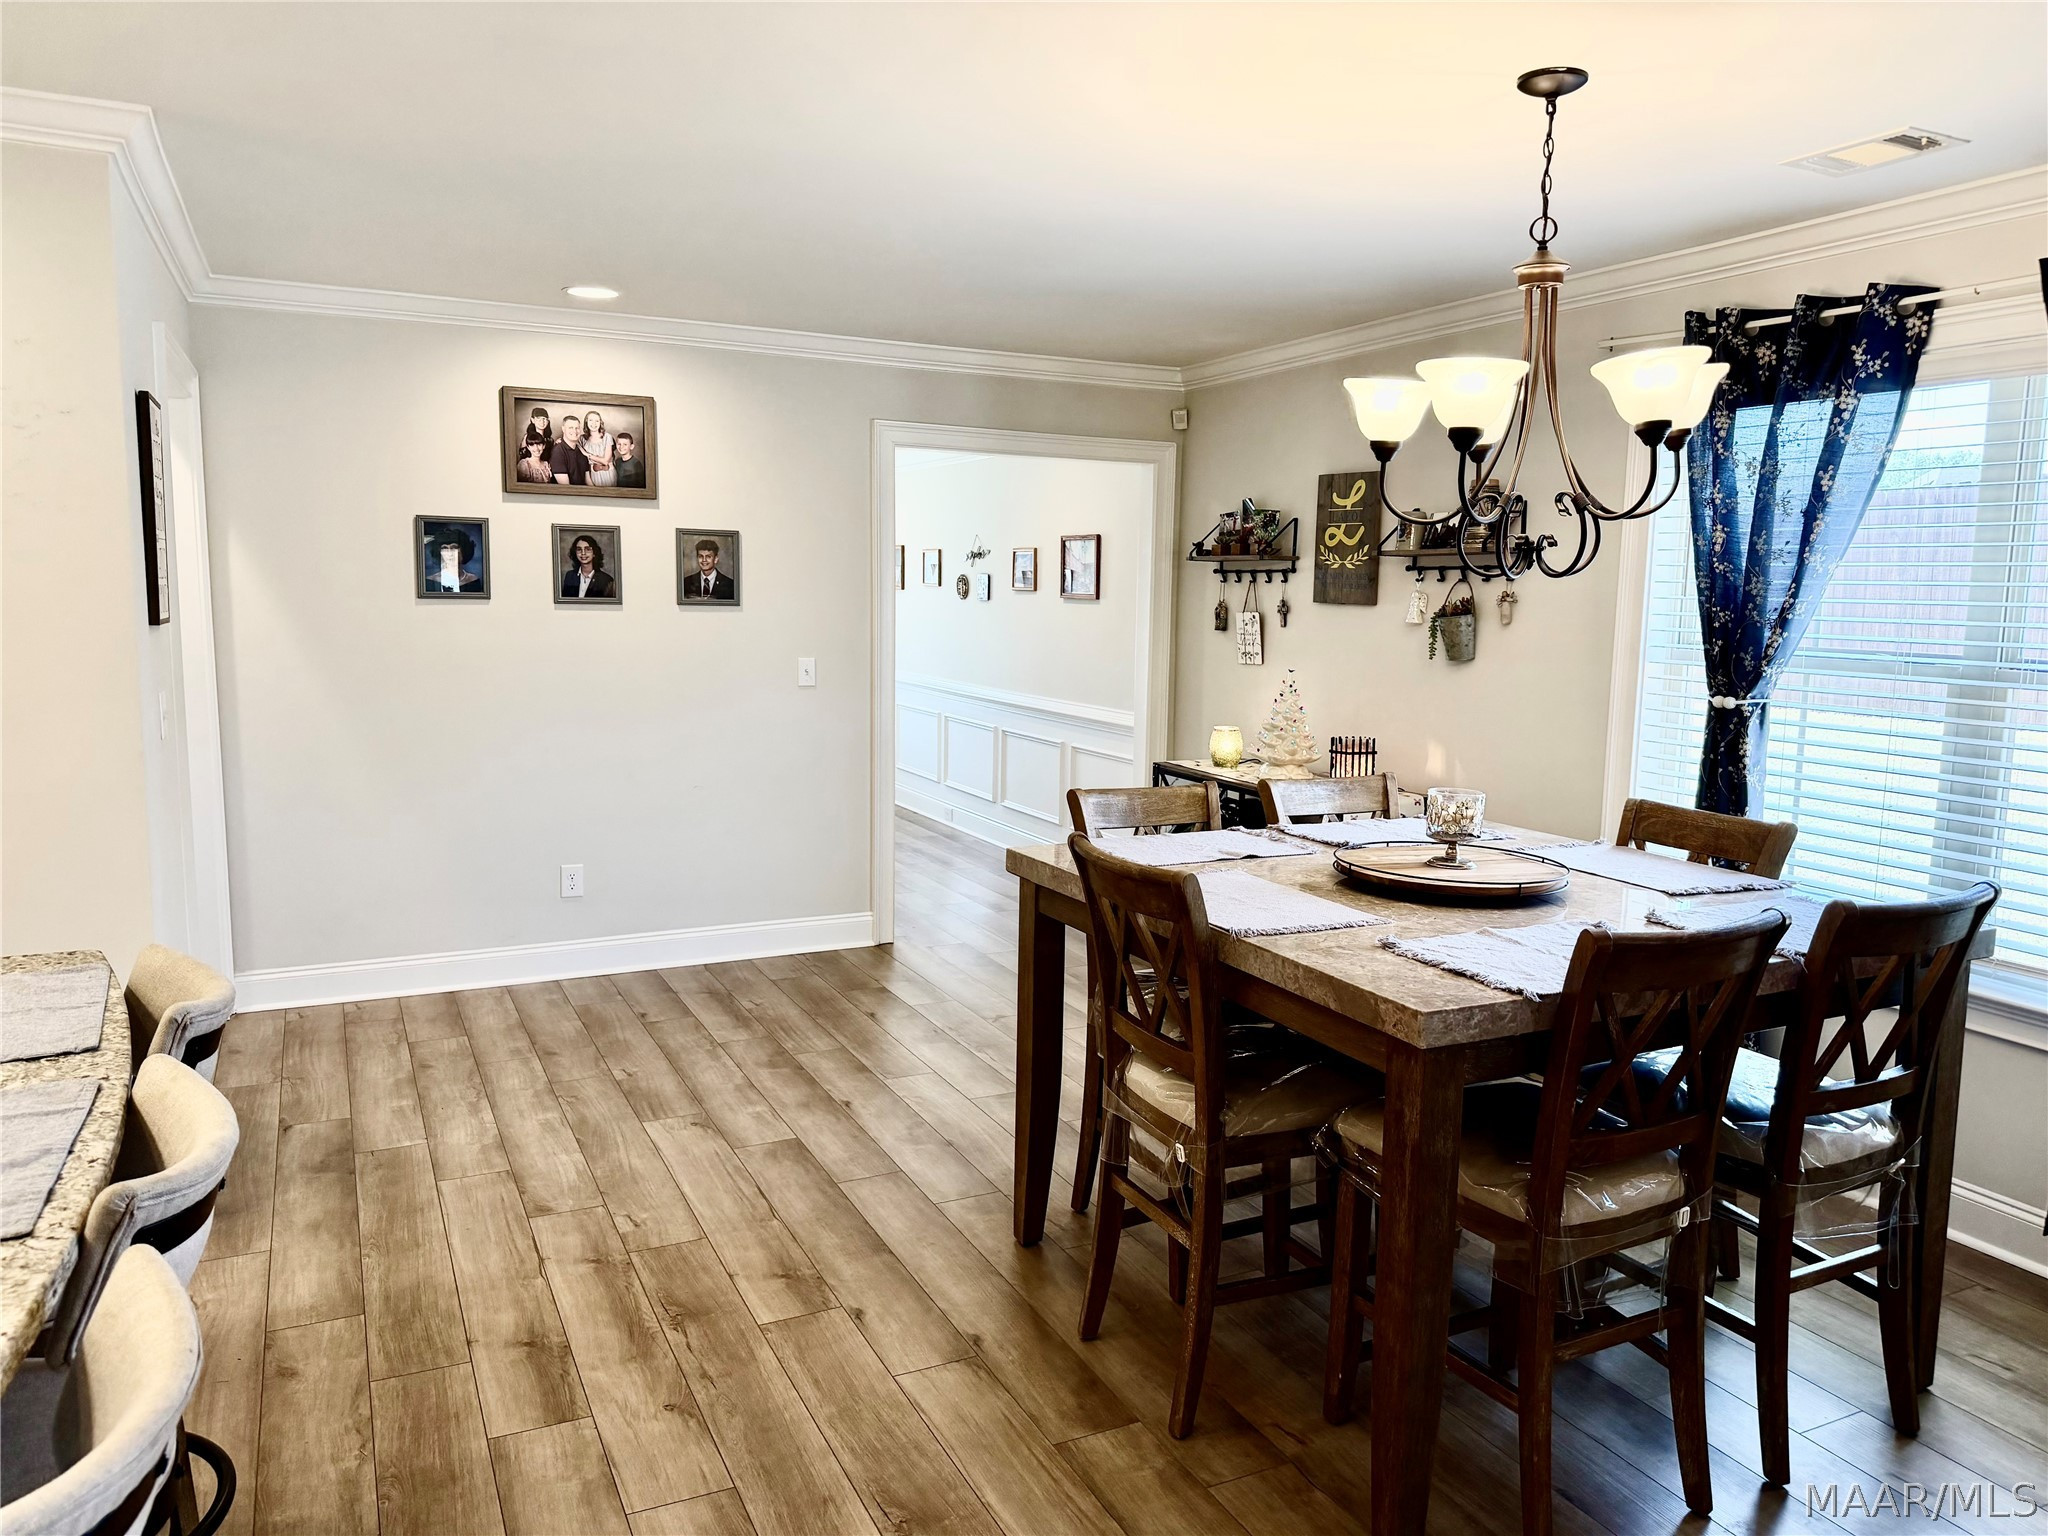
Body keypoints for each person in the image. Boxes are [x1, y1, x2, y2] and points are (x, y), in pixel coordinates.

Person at [423, 524, 484, 593]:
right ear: (439, 552)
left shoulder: (473, 580)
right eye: (445, 548)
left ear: (464, 550)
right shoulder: (431, 581)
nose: (450, 553)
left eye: (454, 547)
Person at [560, 532, 616, 599]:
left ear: (594, 553)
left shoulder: (606, 580)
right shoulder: (569, 576)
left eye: (588, 549)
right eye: (579, 549)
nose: (583, 553)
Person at [548, 413, 589, 486]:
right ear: (563, 429)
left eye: (577, 428)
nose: (575, 431)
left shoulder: (582, 451)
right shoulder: (558, 452)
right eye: (570, 428)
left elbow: (588, 481)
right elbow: (565, 487)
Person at [582, 411, 616, 488]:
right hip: (593, 474)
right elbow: (572, 442)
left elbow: (605, 461)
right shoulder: (582, 439)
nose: (594, 423)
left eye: (597, 421)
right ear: (586, 421)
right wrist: (560, 441)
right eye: (591, 420)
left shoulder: (607, 437)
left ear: (600, 422)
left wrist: (587, 455)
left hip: (608, 474)